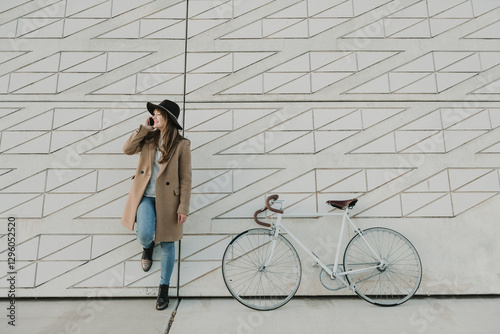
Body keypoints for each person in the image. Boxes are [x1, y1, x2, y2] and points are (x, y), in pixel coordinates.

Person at [120, 99, 191, 310]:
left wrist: (183, 206)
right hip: (146, 196)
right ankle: (148, 247)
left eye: (159, 114)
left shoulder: (182, 144)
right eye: (155, 114)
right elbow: (127, 149)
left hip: (170, 199)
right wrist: (144, 128)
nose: (155, 116)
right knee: (143, 233)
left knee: (169, 244)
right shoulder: (148, 137)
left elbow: (186, 177)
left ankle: (163, 289)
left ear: (168, 118)